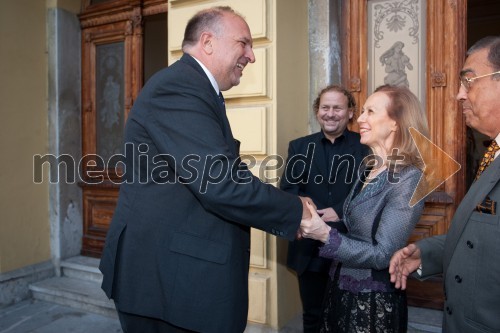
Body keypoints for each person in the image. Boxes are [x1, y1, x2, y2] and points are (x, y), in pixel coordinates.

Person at [98, 6, 322, 333]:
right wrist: (295, 210)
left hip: (179, 279)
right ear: (208, 42)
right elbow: (221, 183)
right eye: (243, 43)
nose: (251, 56)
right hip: (164, 282)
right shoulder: (179, 87)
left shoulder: (195, 88)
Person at [389, 36, 500, 333]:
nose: (459, 95)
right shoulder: (493, 153)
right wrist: (427, 253)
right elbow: (482, 236)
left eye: (469, 81)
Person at [301, 84, 429, 332]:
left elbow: (383, 254)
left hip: (371, 299)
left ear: (395, 123)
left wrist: (324, 234)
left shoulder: (410, 178)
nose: (359, 118)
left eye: (370, 111)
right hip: (339, 286)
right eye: (362, 111)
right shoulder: (367, 168)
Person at [280, 85, 369, 333]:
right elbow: (288, 189)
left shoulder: (366, 146)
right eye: (325, 107)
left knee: (349, 316)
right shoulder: (298, 147)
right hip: (309, 249)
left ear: (350, 112)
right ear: (317, 111)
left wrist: (341, 210)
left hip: (351, 244)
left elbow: (372, 192)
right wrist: (304, 207)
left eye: (337, 108)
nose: (330, 113)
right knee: (313, 317)